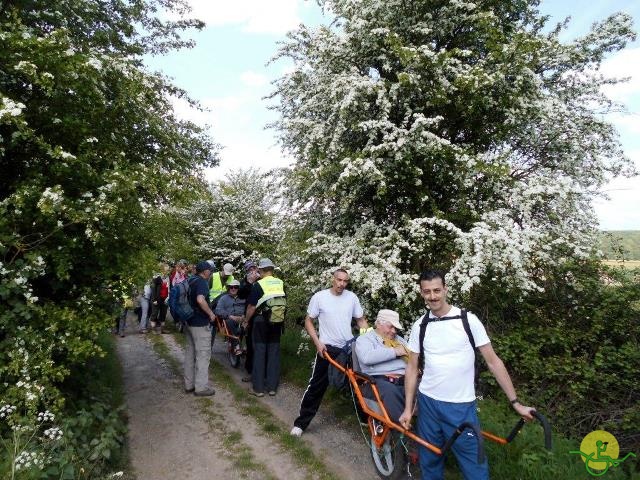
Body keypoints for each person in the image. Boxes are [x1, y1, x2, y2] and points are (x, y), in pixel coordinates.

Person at [399, 270, 535, 480]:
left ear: (445, 289)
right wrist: (408, 409)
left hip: (460, 406)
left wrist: (515, 402)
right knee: (430, 460)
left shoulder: (467, 320)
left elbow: (493, 362)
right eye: (427, 292)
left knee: (474, 465)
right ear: (421, 293)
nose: (433, 296)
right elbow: (411, 367)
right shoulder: (420, 325)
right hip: (427, 403)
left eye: (437, 290)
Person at [290, 268, 367, 436]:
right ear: (333, 279)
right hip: (327, 349)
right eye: (339, 280)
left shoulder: (352, 298)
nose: (341, 284)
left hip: (348, 348)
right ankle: (301, 424)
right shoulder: (320, 297)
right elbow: (308, 321)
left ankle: (366, 419)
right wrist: (318, 343)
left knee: (360, 382)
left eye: (345, 281)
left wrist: (368, 341)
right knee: (317, 386)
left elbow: (361, 321)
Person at [354, 309, 409, 423]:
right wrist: (395, 352)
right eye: (391, 327)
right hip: (378, 380)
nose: (394, 331)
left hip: (405, 379)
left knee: (426, 389)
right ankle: (403, 433)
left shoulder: (400, 340)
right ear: (379, 324)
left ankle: (430, 433)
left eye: (396, 328)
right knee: (390, 391)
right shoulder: (365, 339)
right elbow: (366, 357)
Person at [243, 258, 285, 397]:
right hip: (277, 321)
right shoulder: (280, 283)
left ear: (260, 270)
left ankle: (258, 389)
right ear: (272, 270)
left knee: (260, 353)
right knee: (273, 353)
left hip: (261, 321)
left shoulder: (258, 284)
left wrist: (246, 320)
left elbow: (252, 306)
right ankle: (272, 387)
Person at [183, 260, 217, 397]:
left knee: (190, 354)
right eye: (210, 270)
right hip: (200, 324)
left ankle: (189, 385)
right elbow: (200, 300)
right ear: (205, 271)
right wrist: (211, 314)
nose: (211, 272)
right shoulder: (202, 282)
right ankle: (201, 388)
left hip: (189, 322)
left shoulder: (191, 280)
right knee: (203, 355)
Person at [238, 260, 260, 382]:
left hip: (261, 316)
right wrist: (248, 283)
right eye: (249, 269)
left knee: (258, 345)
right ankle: (250, 370)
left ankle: (259, 371)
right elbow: (241, 294)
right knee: (251, 344)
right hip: (250, 316)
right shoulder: (245, 281)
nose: (251, 271)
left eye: (253, 268)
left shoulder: (262, 279)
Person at [214, 279, 246, 353]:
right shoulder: (223, 298)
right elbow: (218, 310)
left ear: (239, 288)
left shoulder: (244, 298)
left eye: (235, 287)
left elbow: (249, 308)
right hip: (230, 319)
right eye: (231, 287)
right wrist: (230, 316)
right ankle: (236, 344)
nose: (233, 289)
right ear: (229, 288)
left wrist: (244, 317)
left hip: (243, 318)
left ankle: (246, 345)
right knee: (229, 321)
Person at [149, 268, 169, 333]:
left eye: (167, 270)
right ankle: (153, 330)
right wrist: (154, 299)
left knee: (163, 314)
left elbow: (169, 288)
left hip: (165, 299)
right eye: (165, 270)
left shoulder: (168, 278)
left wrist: (168, 297)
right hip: (157, 299)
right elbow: (153, 288)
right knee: (154, 314)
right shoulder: (157, 277)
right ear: (162, 270)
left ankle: (162, 330)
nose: (166, 271)